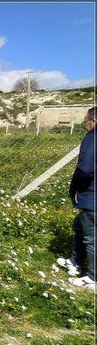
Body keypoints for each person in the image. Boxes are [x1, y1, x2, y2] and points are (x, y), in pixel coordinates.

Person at [57, 106, 95, 291]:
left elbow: (85, 169)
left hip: (91, 195)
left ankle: (93, 278)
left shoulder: (92, 139)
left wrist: (75, 188)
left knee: (91, 237)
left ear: (94, 121)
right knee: (80, 226)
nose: (83, 122)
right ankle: (76, 260)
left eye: (86, 120)